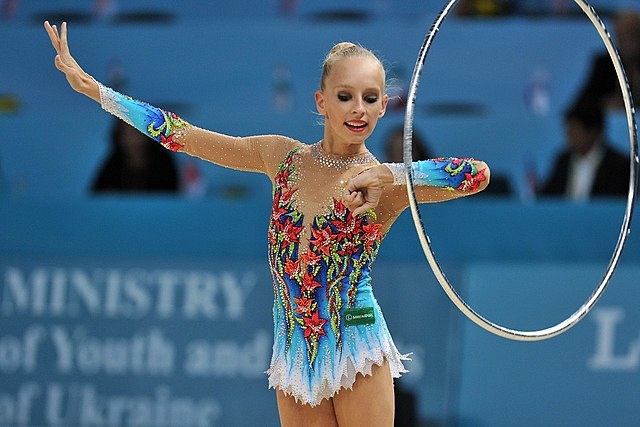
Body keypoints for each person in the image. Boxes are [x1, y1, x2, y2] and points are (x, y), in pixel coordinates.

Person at [44, 21, 490, 426]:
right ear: (321, 101)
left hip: (355, 340)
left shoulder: (386, 186)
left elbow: (477, 175)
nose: (358, 108)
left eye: (370, 98)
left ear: (382, 107)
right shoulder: (282, 157)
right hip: (294, 349)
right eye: (345, 96)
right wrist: (96, 91)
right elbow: (181, 135)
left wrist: (392, 173)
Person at [539, 102, 629, 200]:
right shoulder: (563, 160)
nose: (569, 136)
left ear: (593, 131)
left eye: (574, 130)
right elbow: (546, 197)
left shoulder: (620, 166)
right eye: (568, 131)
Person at [571, 9, 640, 111]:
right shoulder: (605, 65)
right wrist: (605, 103)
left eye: (631, 34)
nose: (626, 41)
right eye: (621, 35)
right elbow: (583, 104)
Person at [91, 118, 180, 193]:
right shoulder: (114, 162)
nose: (131, 138)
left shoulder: (163, 161)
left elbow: (170, 195)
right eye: (126, 132)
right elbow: (98, 194)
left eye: (136, 132)